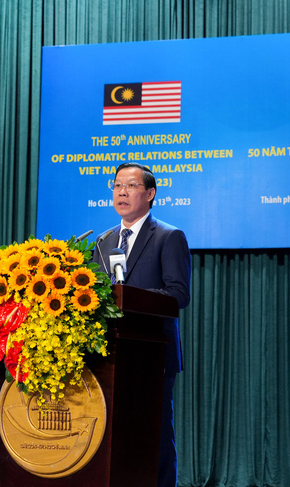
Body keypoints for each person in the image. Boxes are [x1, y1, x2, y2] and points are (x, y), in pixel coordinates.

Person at [92, 162, 191, 487]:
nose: (122, 191)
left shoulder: (168, 236)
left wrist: (129, 299)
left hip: (153, 353)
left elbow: (178, 294)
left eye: (131, 186)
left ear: (150, 194)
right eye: (117, 185)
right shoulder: (103, 242)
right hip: (111, 354)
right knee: (114, 433)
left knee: (155, 432)